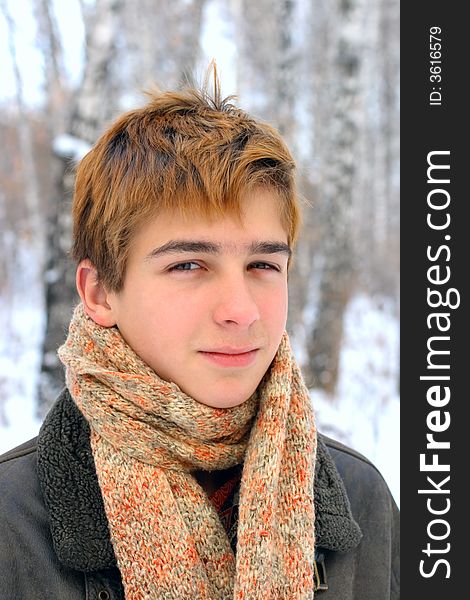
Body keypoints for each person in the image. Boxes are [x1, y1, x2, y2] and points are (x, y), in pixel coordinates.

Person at [0, 72, 399, 599]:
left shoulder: (360, 499)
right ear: (99, 292)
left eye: (262, 264)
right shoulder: (12, 521)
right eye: (189, 264)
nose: (241, 311)